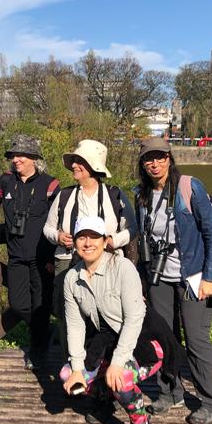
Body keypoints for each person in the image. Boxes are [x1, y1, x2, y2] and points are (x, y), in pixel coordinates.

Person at [61, 217, 182, 424]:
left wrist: (117, 363)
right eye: (82, 237)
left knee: (122, 377)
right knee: (68, 374)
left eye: (94, 237)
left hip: (146, 340)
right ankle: (106, 400)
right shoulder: (72, 278)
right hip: (107, 341)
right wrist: (76, 367)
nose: (88, 243)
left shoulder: (122, 267)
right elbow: (75, 325)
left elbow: (135, 319)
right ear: (74, 243)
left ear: (105, 241)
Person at [134, 136, 212, 424]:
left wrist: (210, 276)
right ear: (142, 163)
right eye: (149, 159)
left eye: (160, 157)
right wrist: (143, 281)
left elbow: (211, 233)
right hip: (159, 275)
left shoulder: (189, 187)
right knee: (164, 337)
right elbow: (142, 239)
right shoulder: (141, 195)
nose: (155, 163)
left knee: (197, 340)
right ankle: (169, 392)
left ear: (169, 158)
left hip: (192, 275)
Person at [43, 139, 137, 358]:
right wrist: (58, 237)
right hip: (68, 262)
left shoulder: (114, 195)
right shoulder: (64, 196)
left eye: (79, 161)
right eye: (74, 161)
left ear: (93, 166)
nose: (74, 165)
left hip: (108, 264)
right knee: (67, 316)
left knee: (107, 314)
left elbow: (132, 228)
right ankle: (72, 363)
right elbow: (47, 228)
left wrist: (114, 241)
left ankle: (102, 363)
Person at [0, 134, 60, 370]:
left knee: (41, 305)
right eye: (13, 155)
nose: (16, 159)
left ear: (34, 158)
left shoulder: (51, 185)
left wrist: (53, 257)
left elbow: (59, 222)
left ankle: (37, 351)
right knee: (19, 305)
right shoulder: (5, 181)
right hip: (16, 256)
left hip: (42, 258)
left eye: (21, 155)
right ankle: (46, 331)